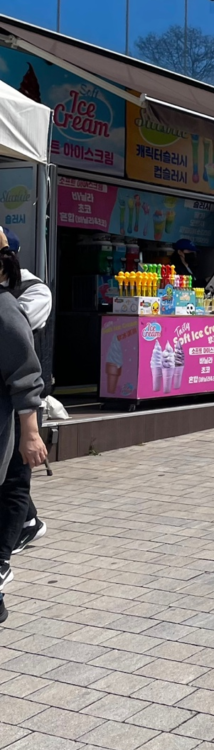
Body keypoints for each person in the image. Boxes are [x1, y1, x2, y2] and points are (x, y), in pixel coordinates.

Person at [0, 243, 48, 612]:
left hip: (13, 417)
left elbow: (25, 375)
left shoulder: (7, 305)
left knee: (15, 484)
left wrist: (31, 435)